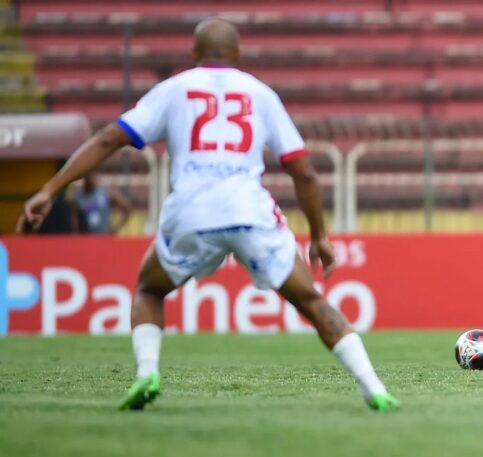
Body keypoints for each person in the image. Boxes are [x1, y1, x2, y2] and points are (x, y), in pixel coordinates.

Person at [16, 17, 399, 411]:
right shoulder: (260, 93)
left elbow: (109, 138)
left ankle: (148, 373)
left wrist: (49, 190)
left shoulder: (173, 90)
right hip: (249, 211)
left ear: (194, 54)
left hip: (190, 212)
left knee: (149, 289)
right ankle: (374, 387)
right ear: (237, 55)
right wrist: (319, 235)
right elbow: (301, 169)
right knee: (312, 301)